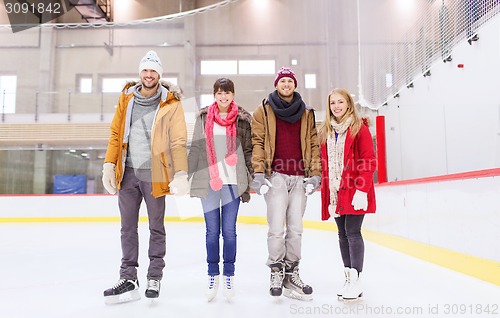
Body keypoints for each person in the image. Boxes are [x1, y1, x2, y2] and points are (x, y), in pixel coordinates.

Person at [101, 50, 190, 304]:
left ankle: (154, 276)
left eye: (153, 71)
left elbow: (178, 140)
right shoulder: (126, 98)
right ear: (140, 73)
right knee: (127, 228)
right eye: (145, 70)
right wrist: (109, 163)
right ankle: (128, 277)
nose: (148, 75)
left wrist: (181, 172)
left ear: (159, 75)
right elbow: (116, 134)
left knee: (156, 227)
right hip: (127, 173)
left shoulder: (171, 103)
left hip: (156, 174)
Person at [251, 67, 321, 301]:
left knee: (296, 228)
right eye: (283, 81)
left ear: (295, 84)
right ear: (276, 84)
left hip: (300, 176)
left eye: (290, 81)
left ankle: (292, 272)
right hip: (276, 176)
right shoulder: (263, 110)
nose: (286, 84)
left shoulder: (307, 112)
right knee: (275, 228)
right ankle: (276, 270)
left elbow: (313, 144)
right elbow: (258, 142)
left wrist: (315, 174)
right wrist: (259, 173)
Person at [188, 78, 253, 302]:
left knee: (229, 231)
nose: (223, 96)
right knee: (211, 232)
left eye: (227, 92)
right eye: (219, 92)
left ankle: (229, 275)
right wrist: (188, 175)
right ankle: (212, 275)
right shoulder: (204, 118)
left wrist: (251, 175)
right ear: (214, 95)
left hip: (233, 182)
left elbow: (250, 150)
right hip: (209, 182)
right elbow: (196, 148)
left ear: (233, 95)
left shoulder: (243, 120)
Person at [318, 88, 376, 301]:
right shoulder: (326, 131)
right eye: (333, 103)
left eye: (340, 102)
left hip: (354, 190)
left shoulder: (359, 128)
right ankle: (349, 278)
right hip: (336, 192)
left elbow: (368, 160)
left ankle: (357, 279)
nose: (336, 106)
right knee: (342, 234)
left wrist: (362, 189)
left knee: (352, 232)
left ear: (349, 103)